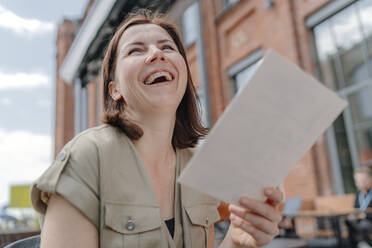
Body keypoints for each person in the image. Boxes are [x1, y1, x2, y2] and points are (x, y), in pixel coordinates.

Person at [31, 10, 283, 248]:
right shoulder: (86, 158)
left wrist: (237, 241)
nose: (156, 54)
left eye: (167, 47)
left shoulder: (198, 168)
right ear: (114, 90)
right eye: (135, 50)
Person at [346, 167, 372, 248]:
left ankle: (362, 243)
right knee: (349, 221)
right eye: (357, 181)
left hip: (369, 220)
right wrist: (354, 215)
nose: (360, 183)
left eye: (363, 180)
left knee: (362, 225)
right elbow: (356, 208)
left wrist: (365, 215)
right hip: (360, 221)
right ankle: (361, 244)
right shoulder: (359, 194)